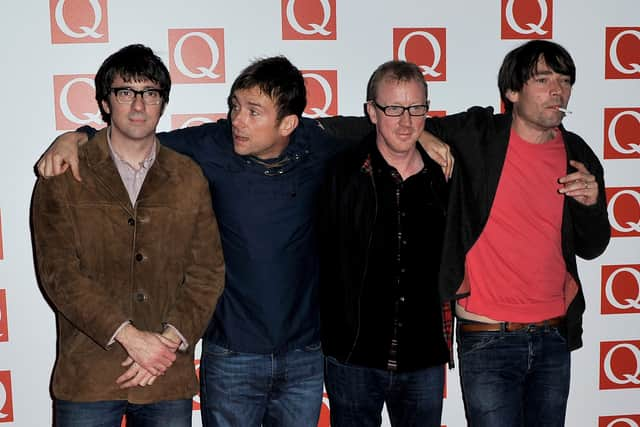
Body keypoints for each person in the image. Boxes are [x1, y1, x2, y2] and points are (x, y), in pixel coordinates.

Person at [36, 55, 452, 427]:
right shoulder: (209, 145)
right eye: (236, 106)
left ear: (288, 124)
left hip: (305, 357)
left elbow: (379, 128)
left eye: (254, 112)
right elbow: (135, 135)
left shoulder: (319, 148)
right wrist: (78, 135)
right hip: (232, 356)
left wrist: (423, 134)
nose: (238, 119)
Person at [31, 44, 225, 427]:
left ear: (163, 103)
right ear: (105, 102)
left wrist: (166, 344)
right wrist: (131, 338)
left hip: (166, 376)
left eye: (150, 93)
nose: (138, 105)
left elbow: (207, 272)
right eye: (125, 92)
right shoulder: (64, 175)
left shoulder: (188, 177)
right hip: (89, 376)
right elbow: (59, 273)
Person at [425, 40, 611, 426]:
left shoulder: (577, 153)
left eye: (564, 80)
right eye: (542, 79)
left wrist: (592, 204)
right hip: (488, 334)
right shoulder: (478, 135)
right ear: (512, 91)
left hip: (553, 336)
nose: (557, 90)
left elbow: (593, 247)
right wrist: (425, 135)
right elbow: (398, 125)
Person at [318, 61, 451, 427]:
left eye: (416, 109)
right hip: (353, 356)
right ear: (371, 112)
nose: (406, 122)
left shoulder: (445, 178)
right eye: (393, 108)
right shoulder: (340, 173)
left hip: (424, 356)